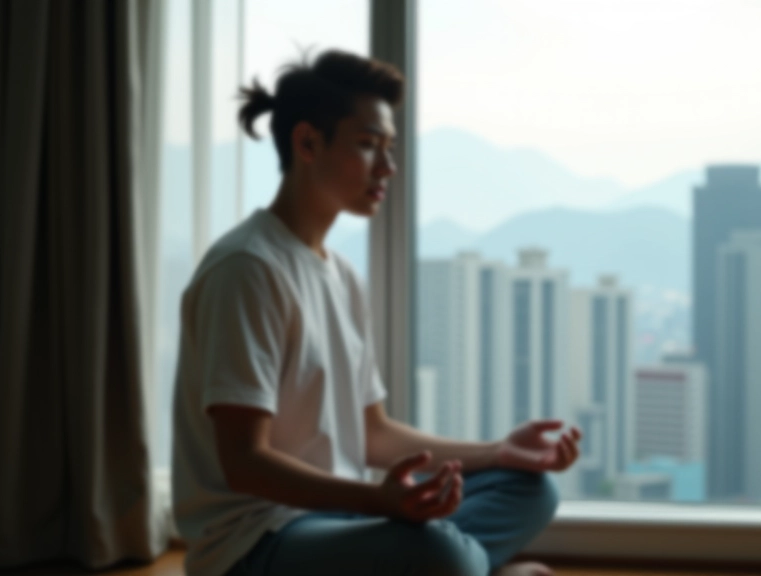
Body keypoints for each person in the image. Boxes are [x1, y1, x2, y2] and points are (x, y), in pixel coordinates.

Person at [171, 49, 583, 576]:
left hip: (337, 517)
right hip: (256, 543)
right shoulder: (247, 268)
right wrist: (380, 504)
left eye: (389, 148)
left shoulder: (341, 274)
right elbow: (245, 463)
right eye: (368, 146)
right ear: (308, 143)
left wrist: (499, 451)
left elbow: (373, 436)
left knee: (531, 488)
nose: (388, 168)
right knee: (441, 554)